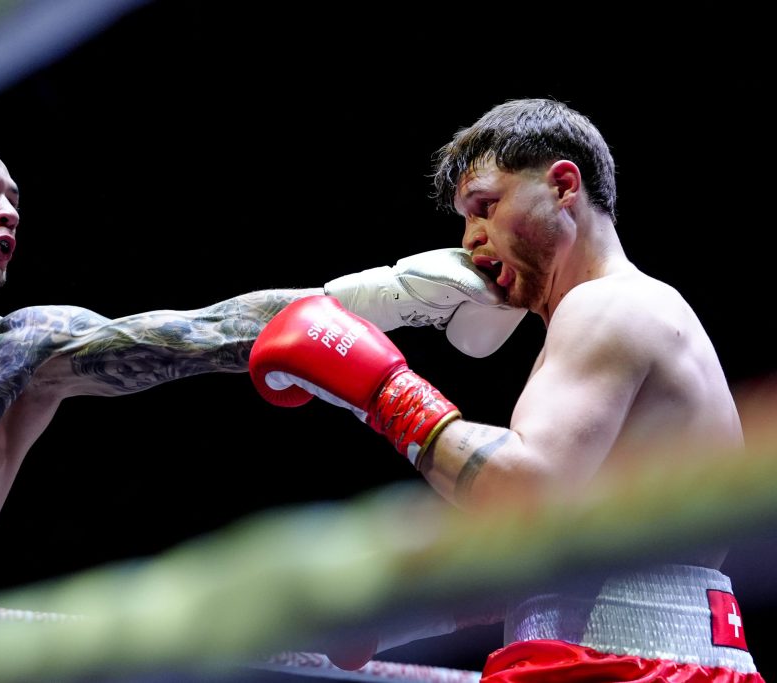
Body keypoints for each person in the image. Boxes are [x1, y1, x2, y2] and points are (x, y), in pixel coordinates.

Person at [0, 139, 525, 637]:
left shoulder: (24, 351)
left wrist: (391, 297)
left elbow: (201, 331)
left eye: (15, 201)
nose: (8, 212)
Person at [250, 98, 764, 681]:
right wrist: (399, 613)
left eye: (485, 206)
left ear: (563, 186)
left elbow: (525, 492)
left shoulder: (609, 305)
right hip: (659, 657)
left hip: (623, 663)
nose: (471, 238)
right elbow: (569, 541)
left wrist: (381, 388)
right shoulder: (629, 313)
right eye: (465, 219)